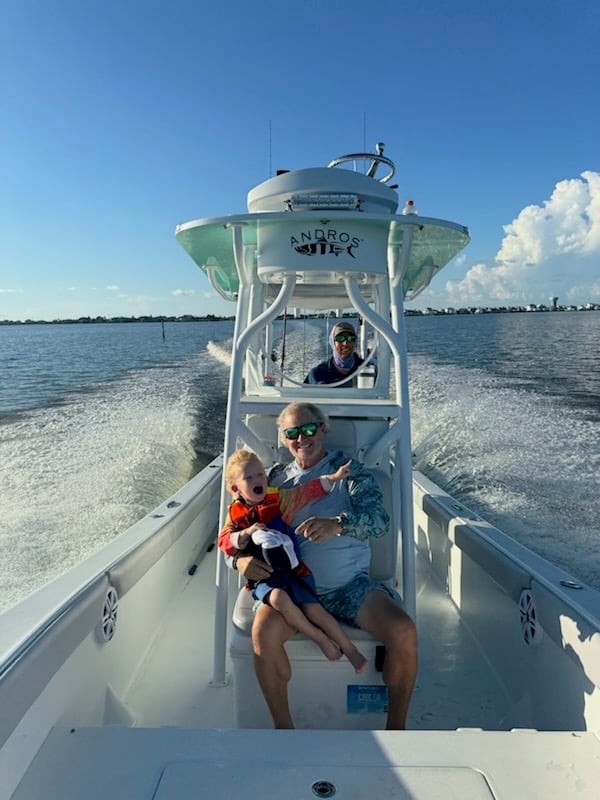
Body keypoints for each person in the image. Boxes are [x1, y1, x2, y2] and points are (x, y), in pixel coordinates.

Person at [232, 402, 418, 730]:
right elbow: (240, 527)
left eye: (308, 429)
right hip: (294, 589)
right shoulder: (273, 479)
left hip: (350, 588)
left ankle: (397, 729)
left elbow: (379, 522)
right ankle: (284, 731)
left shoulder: (350, 472)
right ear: (283, 438)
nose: (301, 438)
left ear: (323, 429)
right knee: (262, 632)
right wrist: (241, 560)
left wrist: (338, 524)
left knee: (403, 631)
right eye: (291, 433)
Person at [219, 449, 368, 673]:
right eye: (248, 478)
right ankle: (319, 637)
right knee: (279, 598)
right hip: (266, 579)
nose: (258, 480)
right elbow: (225, 542)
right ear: (235, 488)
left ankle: (350, 649)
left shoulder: (277, 498)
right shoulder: (235, 515)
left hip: (292, 570)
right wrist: (247, 532)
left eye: (260, 474)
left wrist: (334, 478)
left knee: (315, 609)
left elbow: (307, 492)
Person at [304, 321, 365, 386]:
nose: (345, 343)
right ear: (332, 342)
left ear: (355, 342)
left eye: (350, 338)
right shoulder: (317, 374)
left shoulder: (368, 369)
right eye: (340, 338)